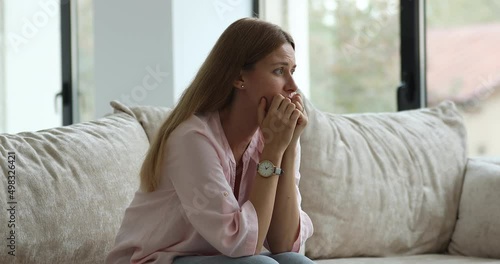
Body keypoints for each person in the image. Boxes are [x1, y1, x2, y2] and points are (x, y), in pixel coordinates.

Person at [105, 17, 314, 264]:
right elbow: (242, 244)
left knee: (295, 262)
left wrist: (287, 147)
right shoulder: (192, 138)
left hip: (217, 259)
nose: (293, 87)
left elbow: (286, 243)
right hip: (158, 259)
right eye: (279, 71)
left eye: (292, 72)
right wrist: (272, 152)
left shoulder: (275, 135)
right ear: (239, 77)